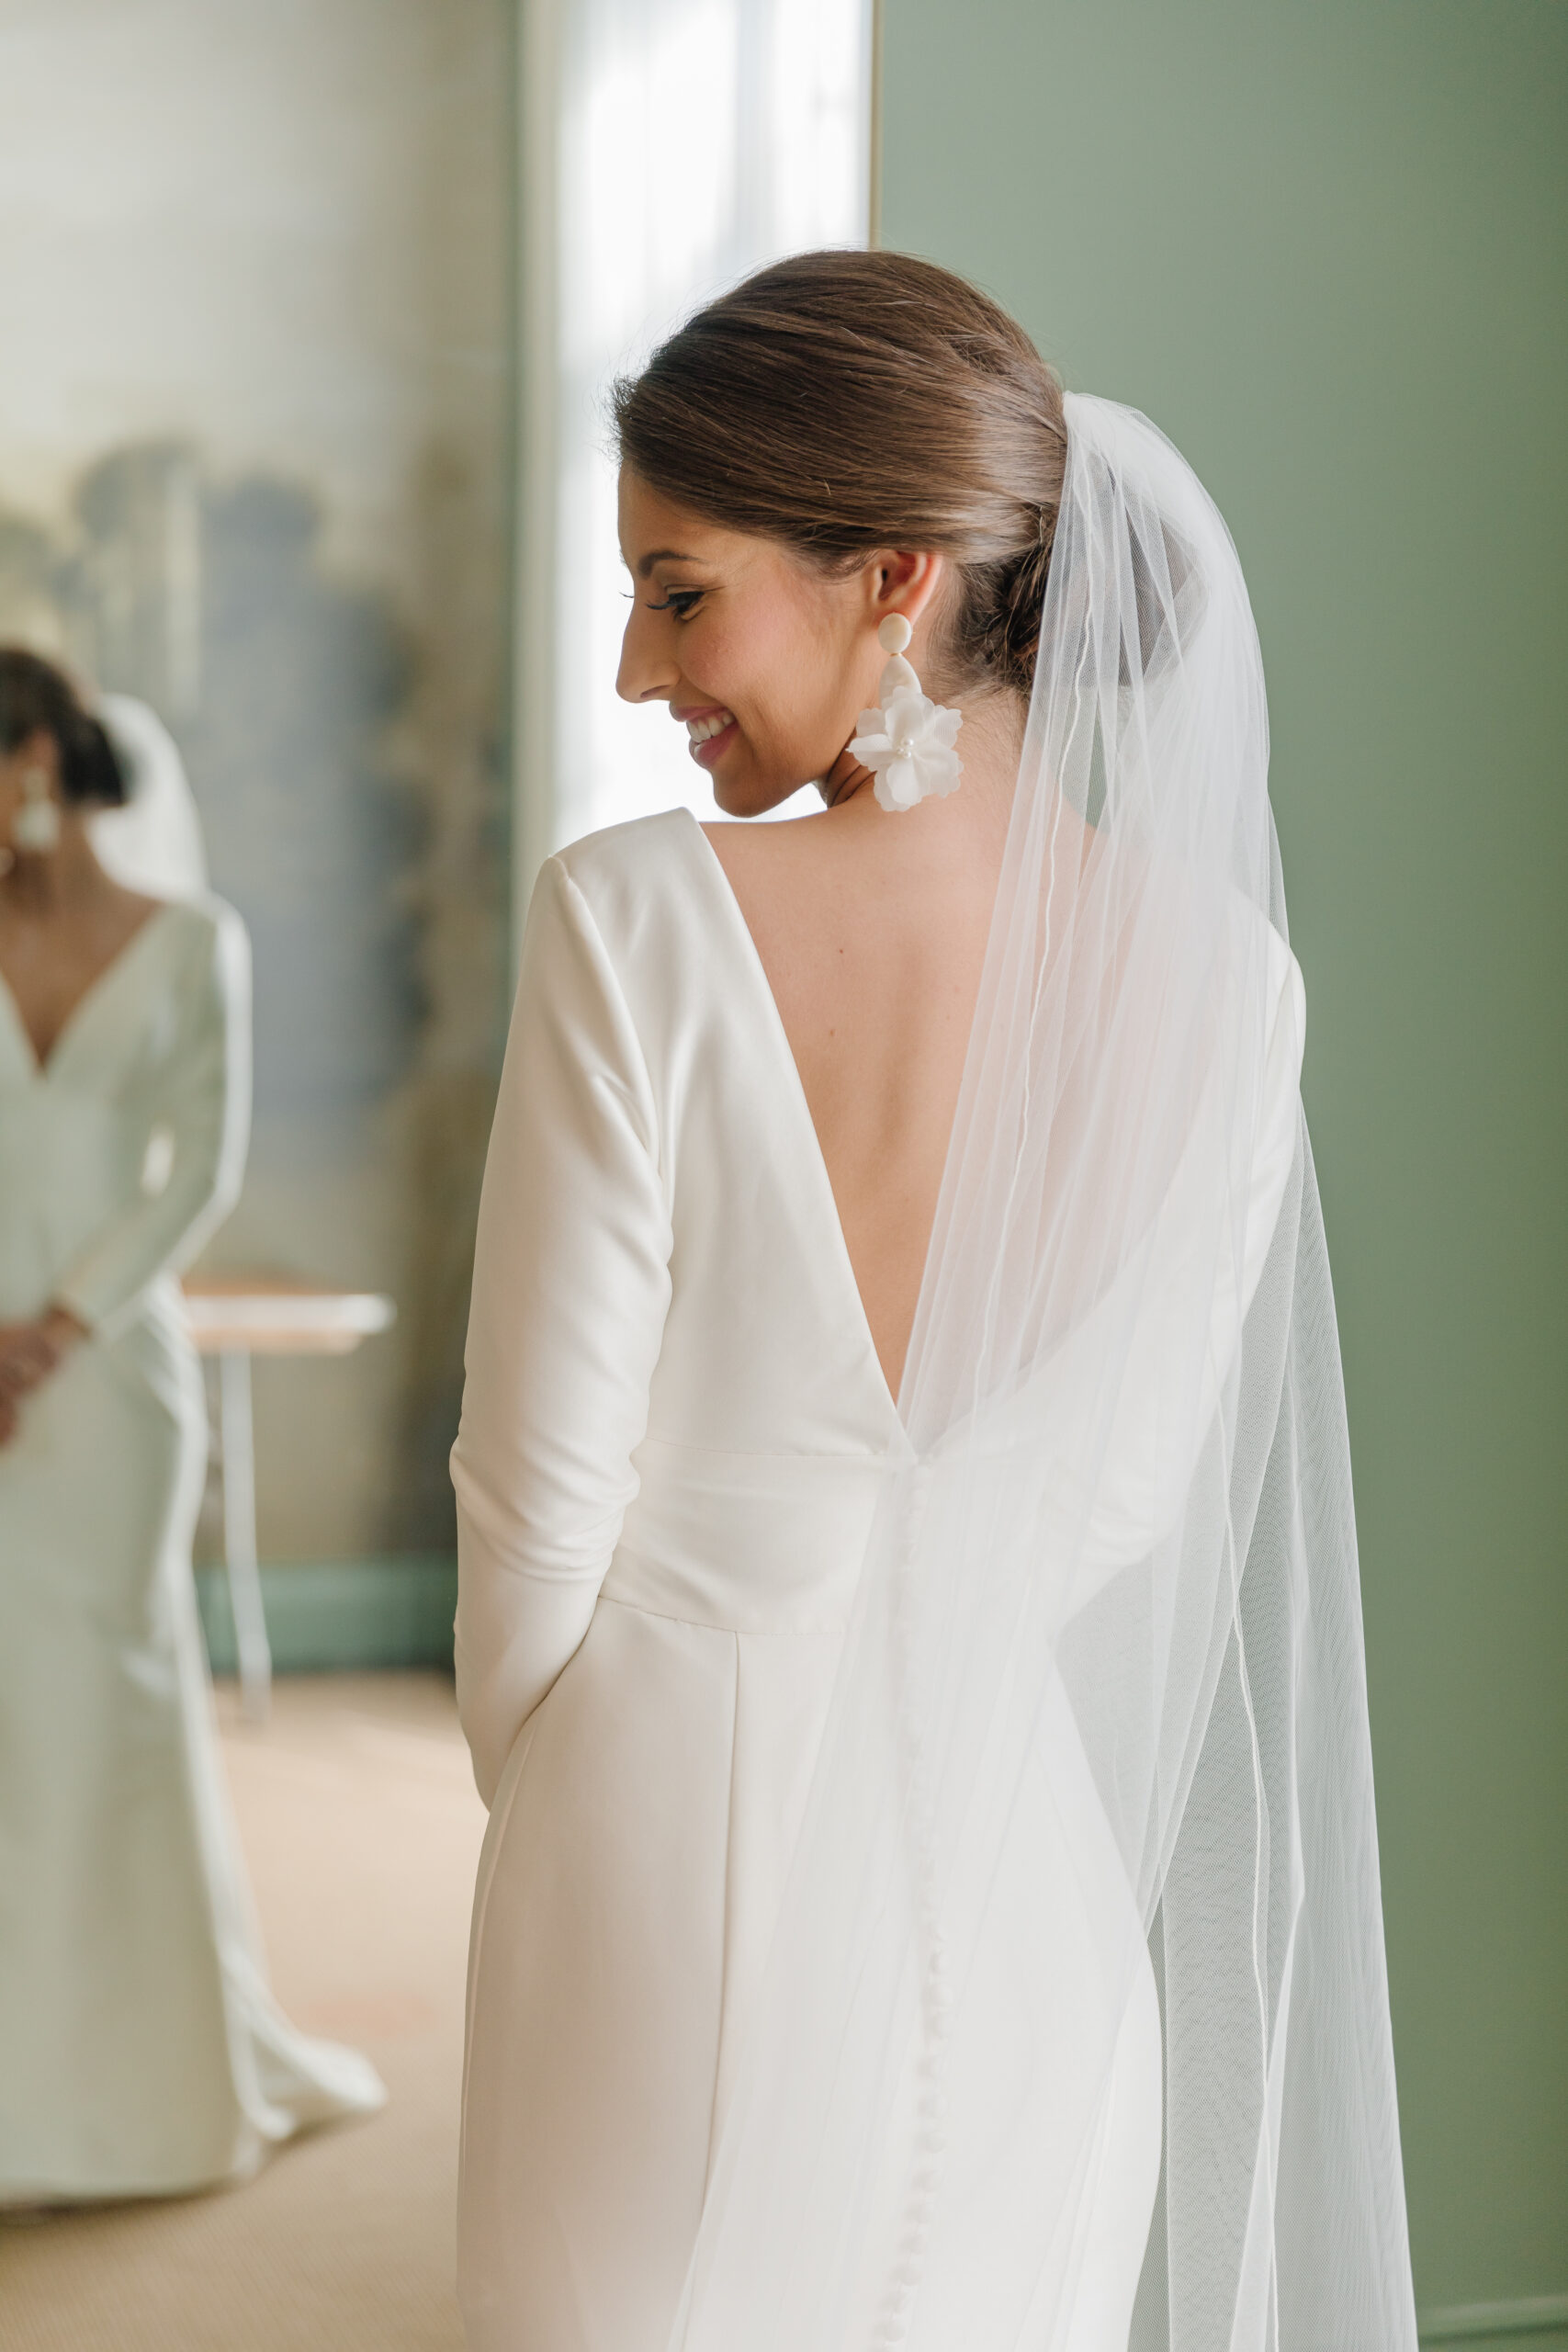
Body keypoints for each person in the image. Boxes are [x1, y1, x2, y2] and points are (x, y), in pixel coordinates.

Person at [452, 254, 1418, 2352]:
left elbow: (531, 1524)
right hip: (1018, 1891)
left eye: (678, 589)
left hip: (657, 1861)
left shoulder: (631, 923)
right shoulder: (1233, 980)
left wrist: (573, 1797)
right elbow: (1122, 1511)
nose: (635, 667)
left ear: (891, 574)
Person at [0, 648, 384, 2202]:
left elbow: (198, 1175)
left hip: (99, 1385)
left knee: (106, 1700)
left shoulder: (192, 942)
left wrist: (54, 1332)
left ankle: (122, 2088)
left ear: (34, 756)